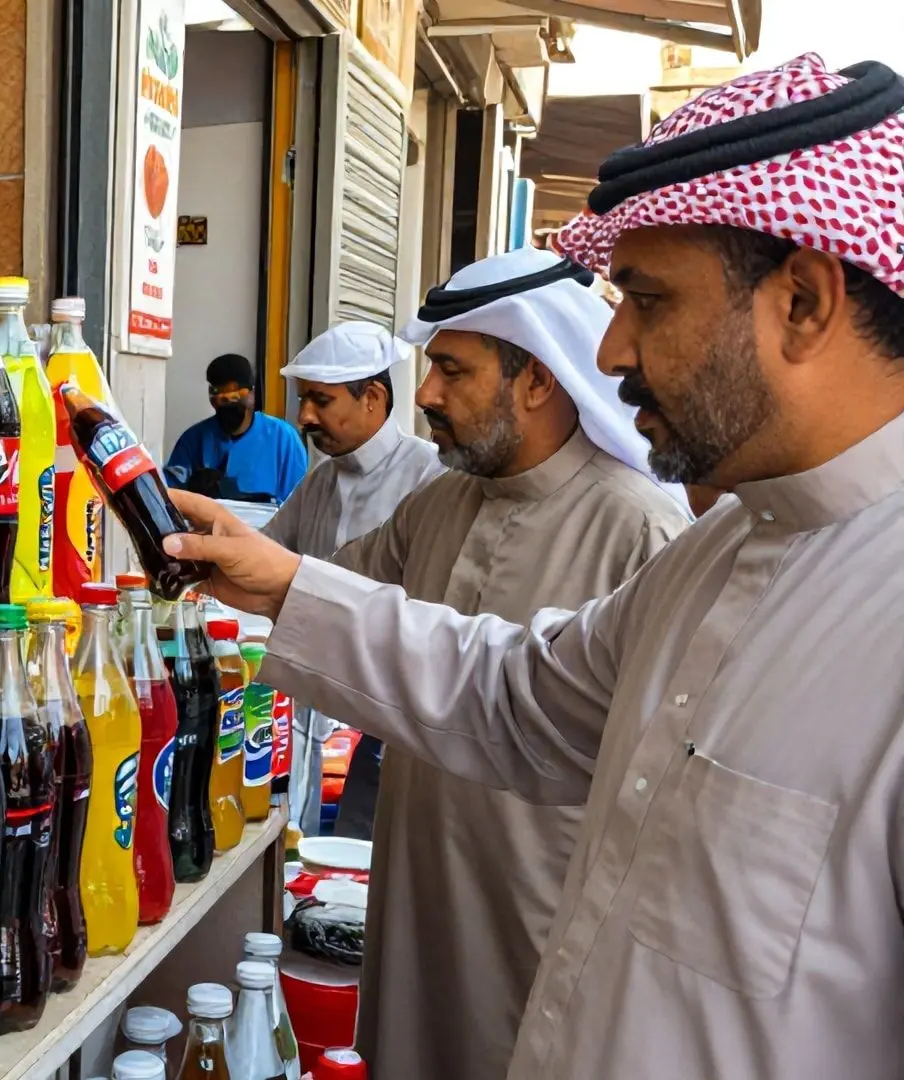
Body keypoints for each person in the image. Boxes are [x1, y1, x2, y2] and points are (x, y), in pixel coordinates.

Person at [162, 54, 904, 1080]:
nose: (613, 352)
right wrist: (280, 582)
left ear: (806, 305)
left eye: (648, 301)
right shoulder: (723, 553)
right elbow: (510, 694)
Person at [246, 248, 695, 1080]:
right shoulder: (442, 502)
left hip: (537, 911)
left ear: (538, 380)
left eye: (451, 370)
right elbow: (327, 592)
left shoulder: (640, 530)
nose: (425, 396)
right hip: (416, 882)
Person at [262, 321, 444, 836]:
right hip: (307, 704)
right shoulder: (320, 480)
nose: (305, 417)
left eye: (320, 400)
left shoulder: (429, 477)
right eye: (303, 400)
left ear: (373, 398)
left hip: (383, 716)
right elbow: (269, 553)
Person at [165, 352, 306, 501]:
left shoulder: (283, 439)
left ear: (252, 394)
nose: (229, 405)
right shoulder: (194, 440)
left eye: (235, 396)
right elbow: (169, 495)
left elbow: (299, 503)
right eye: (221, 397)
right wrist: (190, 490)